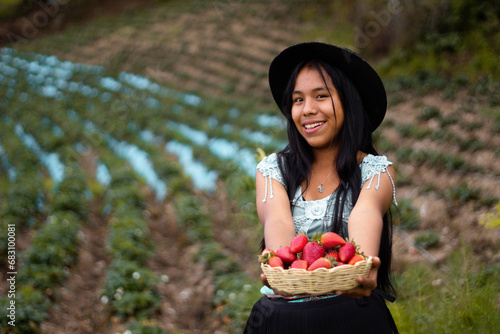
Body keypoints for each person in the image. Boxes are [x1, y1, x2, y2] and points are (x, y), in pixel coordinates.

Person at [244, 42, 399, 333]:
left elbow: (364, 215)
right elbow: (277, 221)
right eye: (298, 99)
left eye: (321, 96)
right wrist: (283, 271)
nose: (308, 110)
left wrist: (360, 267)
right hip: (283, 319)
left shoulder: (375, 171)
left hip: (353, 316)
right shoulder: (273, 170)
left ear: (348, 101)